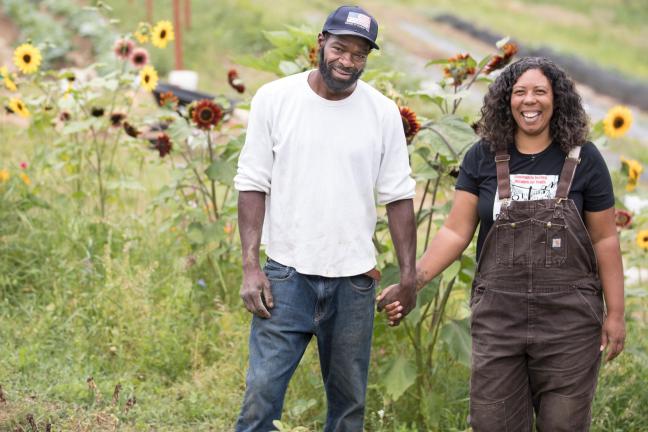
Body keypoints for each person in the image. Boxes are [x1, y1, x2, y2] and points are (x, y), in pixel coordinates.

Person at [378, 57, 626, 431]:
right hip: (499, 319)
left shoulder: (583, 158)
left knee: (564, 425)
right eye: (520, 92)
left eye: (540, 91)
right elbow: (454, 232)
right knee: (494, 423)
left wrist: (616, 314)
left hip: (569, 322)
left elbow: (605, 238)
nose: (531, 101)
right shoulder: (483, 155)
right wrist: (414, 280)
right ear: (506, 100)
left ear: (556, 99)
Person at [233, 5, 418, 431]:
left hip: (353, 285)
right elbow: (252, 183)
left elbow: (399, 196)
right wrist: (250, 266)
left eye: (359, 55)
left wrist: (409, 277)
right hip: (285, 277)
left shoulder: (382, 112)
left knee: (348, 407)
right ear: (321, 43)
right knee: (261, 397)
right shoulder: (276, 99)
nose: (347, 62)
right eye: (340, 49)